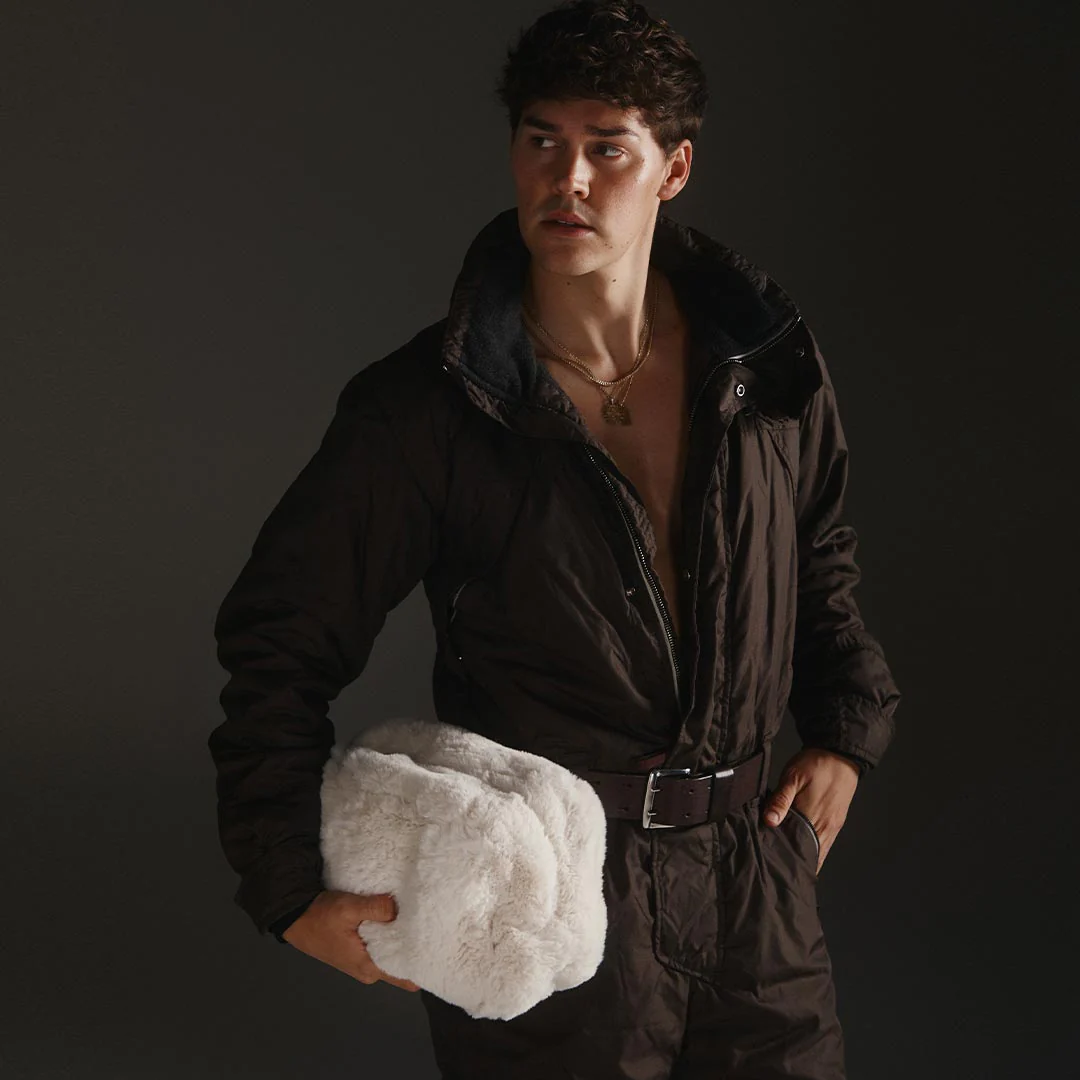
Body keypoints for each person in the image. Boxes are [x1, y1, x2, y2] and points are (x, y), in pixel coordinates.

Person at [208, 1, 901, 1076]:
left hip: (755, 881)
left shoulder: (761, 363)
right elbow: (279, 636)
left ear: (673, 169)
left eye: (606, 148)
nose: (567, 179)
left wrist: (847, 724)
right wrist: (287, 881)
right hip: (547, 896)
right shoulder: (430, 408)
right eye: (543, 141)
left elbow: (818, 549)